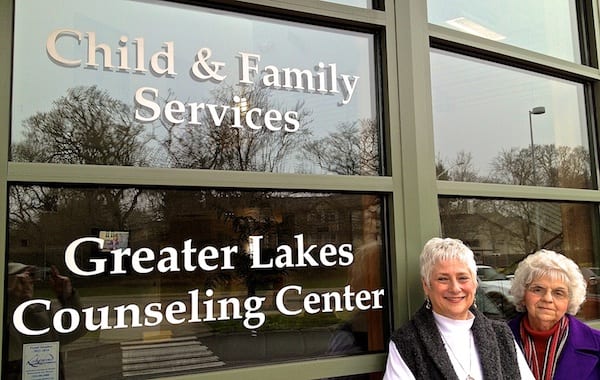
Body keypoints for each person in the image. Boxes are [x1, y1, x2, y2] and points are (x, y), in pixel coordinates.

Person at [383, 237, 534, 379]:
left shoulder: (501, 334)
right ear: (426, 286)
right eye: (443, 279)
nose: (455, 288)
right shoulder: (407, 342)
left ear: (475, 283)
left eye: (463, 278)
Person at [508, 249, 600, 380]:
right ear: (523, 294)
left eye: (558, 293)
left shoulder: (596, 344)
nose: (547, 299)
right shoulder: (497, 340)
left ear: (570, 301)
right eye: (538, 289)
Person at [5, 262, 86, 380]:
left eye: (31, 278)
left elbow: (76, 331)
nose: (28, 283)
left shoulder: (39, 314)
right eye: (22, 280)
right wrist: (11, 298)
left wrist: (68, 297)